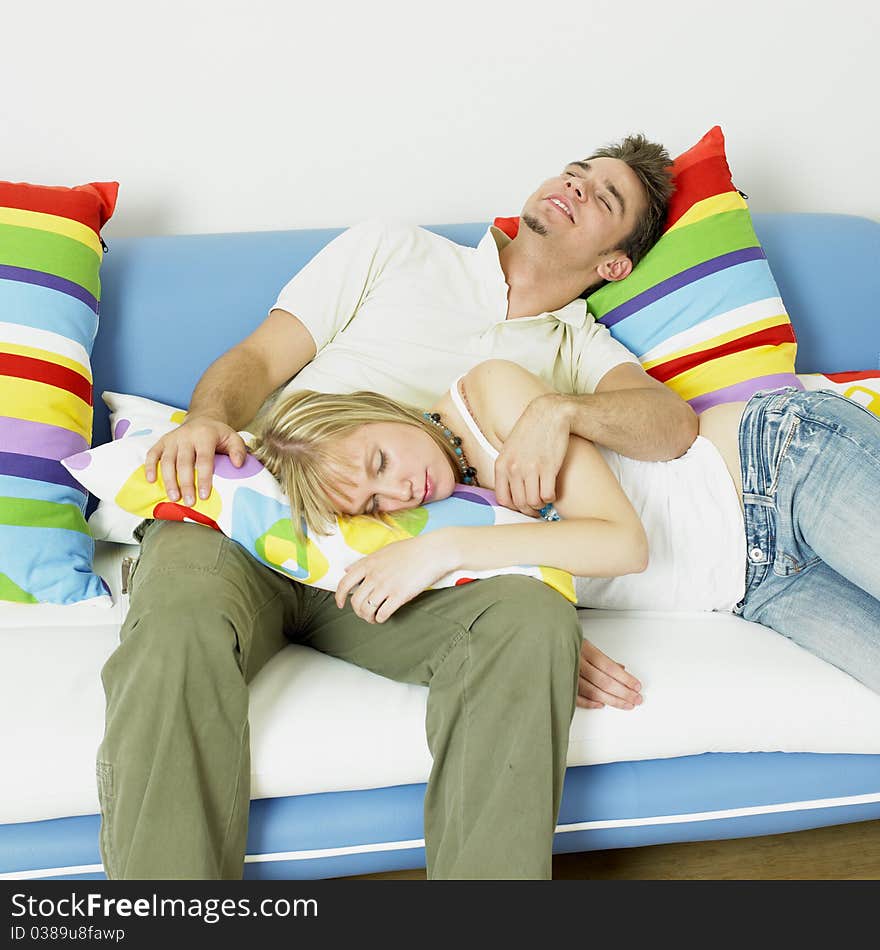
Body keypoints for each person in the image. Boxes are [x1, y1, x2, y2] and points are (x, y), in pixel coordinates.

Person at [97, 134, 696, 880]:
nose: (573, 188)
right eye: (573, 173)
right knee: (179, 612)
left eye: (602, 197)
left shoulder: (577, 349)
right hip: (268, 514)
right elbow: (255, 359)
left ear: (614, 265)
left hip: (412, 571)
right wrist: (209, 418)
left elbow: (671, 427)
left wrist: (559, 415)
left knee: (532, 624)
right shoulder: (395, 250)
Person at [251, 359, 880, 699]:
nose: (396, 492)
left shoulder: (489, 396)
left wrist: (443, 550)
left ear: (374, 410)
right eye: (371, 503)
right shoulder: (426, 521)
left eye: (380, 462)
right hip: (760, 585)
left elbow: (622, 543)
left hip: (781, 467)